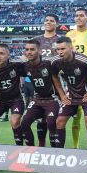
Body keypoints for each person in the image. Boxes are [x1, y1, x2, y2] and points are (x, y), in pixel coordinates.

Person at [51, 37, 87, 149]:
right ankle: (59, 152)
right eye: (58, 49)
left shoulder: (84, 60)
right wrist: (62, 95)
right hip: (70, 97)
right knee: (59, 121)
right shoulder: (55, 62)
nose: (60, 52)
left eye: (63, 49)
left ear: (71, 48)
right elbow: (54, 76)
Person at [66, 8, 87, 149]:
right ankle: (75, 147)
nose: (78, 18)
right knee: (76, 116)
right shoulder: (69, 34)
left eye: (81, 15)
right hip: (74, 79)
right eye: (76, 16)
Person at [20, 39, 59, 147]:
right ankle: (31, 150)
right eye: (27, 50)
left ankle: (54, 151)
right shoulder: (24, 66)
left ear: (39, 51)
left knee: (51, 123)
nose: (29, 52)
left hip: (52, 99)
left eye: (32, 49)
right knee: (24, 122)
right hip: (37, 100)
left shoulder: (49, 64)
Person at [33, 14, 60, 146]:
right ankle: (41, 146)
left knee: (53, 118)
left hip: (56, 83)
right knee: (40, 118)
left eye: (52, 21)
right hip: (38, 84)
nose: (48, 22)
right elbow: (27, 57)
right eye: (46, 20)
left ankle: (55, 147)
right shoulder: (36, 40)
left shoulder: (61, 40)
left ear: (57, 24)